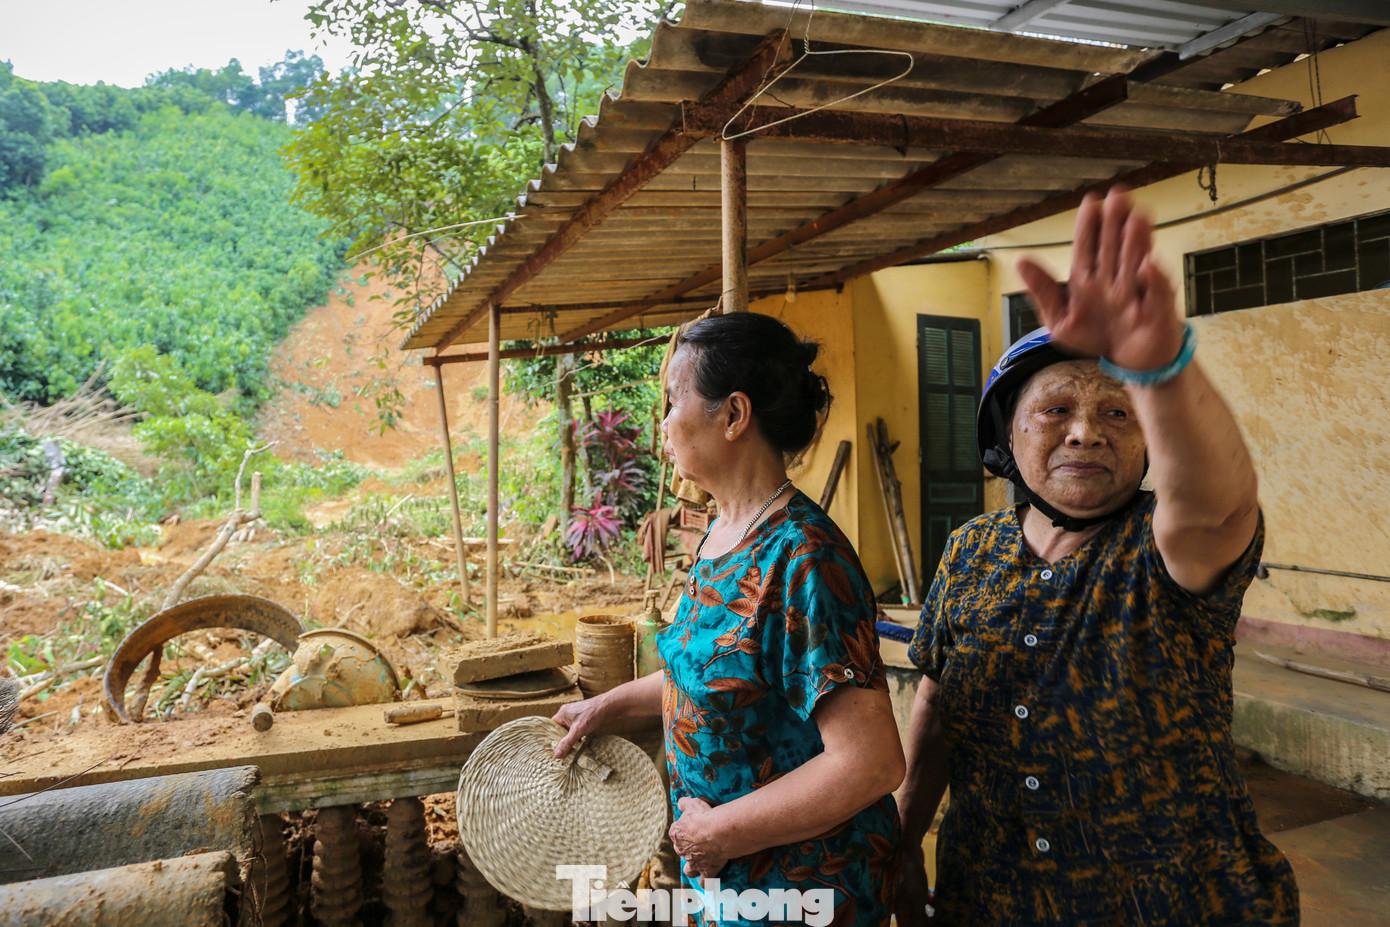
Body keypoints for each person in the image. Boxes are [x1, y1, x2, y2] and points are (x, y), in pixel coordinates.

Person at [895, 187, 1298, 926]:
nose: (1086, 432)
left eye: (1117, 411)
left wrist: (1162, 369)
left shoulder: (1160, 545)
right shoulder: (971, 549)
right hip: (988, 894)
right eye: (1055, 410)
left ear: (1148, 441)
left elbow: (1222, 504)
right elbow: (937, 702)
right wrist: (899, 842)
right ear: (1007, 438)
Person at [554, 311, 906, 927]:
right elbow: (720, 676)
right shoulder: (724, 532)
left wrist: (721, 831)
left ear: (734, 415)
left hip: (808, 890)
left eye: (672, 401)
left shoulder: (804, 559)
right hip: (733, 885)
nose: (662, 425)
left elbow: (870, 762)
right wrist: (606, 705)